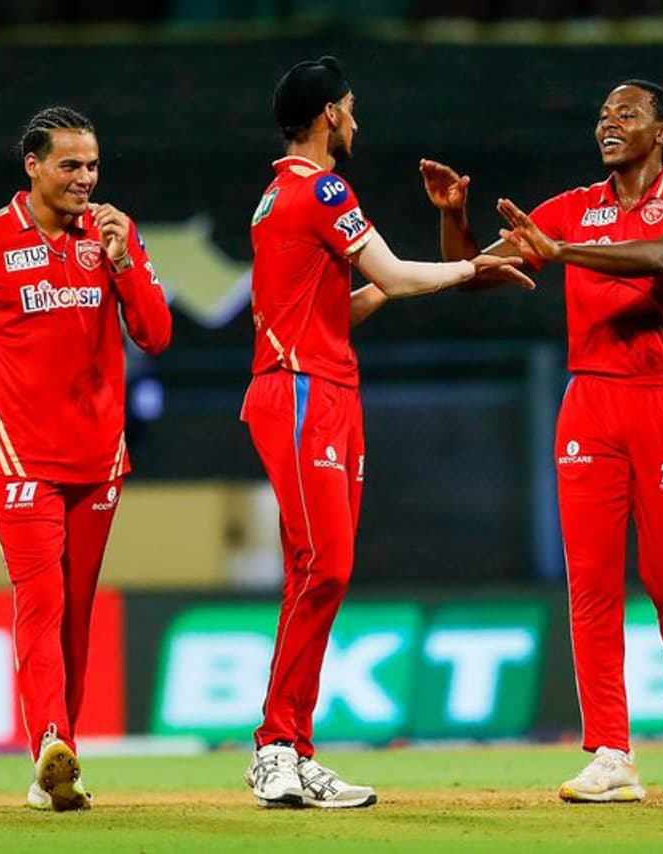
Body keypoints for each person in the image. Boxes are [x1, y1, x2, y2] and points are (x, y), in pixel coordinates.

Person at [419, 80, 663, 802]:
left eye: (628, 114)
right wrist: (454, 217)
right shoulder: (569, 207)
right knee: (591, 584)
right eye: (602, 115)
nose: (609, 124)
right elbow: (474, 276)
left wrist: (564, 252)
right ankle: (611, 754)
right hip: (590, 402)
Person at [243, 56, 531, 809]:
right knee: (325, 567)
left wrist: (454, 266)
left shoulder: (278, 197)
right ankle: (274, 748)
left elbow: (342, 307)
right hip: (301, 391)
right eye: (350, 106)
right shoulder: (320, 188)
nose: (356, 118)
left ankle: (294, 749)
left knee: (318, 571)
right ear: (329, 115)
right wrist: (471, 269)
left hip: (323, 386)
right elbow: (400, 276)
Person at [0, 106, 172, 811]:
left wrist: (123, 261)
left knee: (76, 616)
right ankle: (50, 743)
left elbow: (155, 336)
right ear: (32, 166)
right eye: (70, 165)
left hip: (99, 458)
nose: (85, 178)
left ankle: (60, 763)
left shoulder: (113, 235)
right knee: (41, 603)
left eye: (92, 165)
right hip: (21, 458)